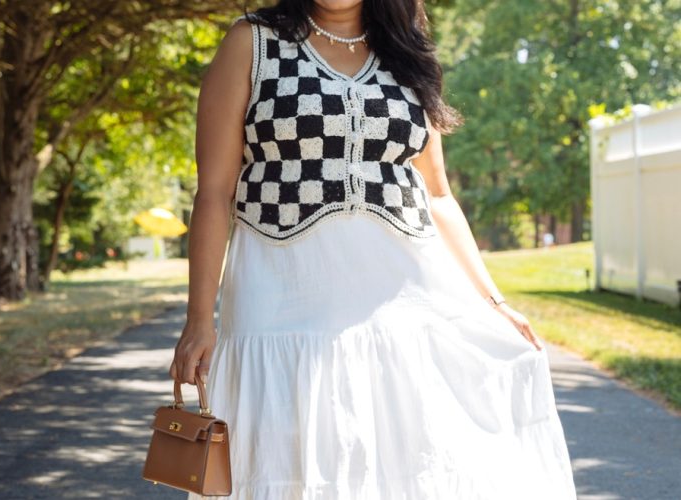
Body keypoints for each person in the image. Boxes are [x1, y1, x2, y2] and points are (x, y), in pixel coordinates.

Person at [170, 1, 578, 498]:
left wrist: (495, 301)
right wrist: (198, 318)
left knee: (398, 457)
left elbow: (439, 194)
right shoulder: (250, 42)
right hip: (281, 297)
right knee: (287, 459)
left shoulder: (407, 48)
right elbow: (214, 191)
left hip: (402, 299)